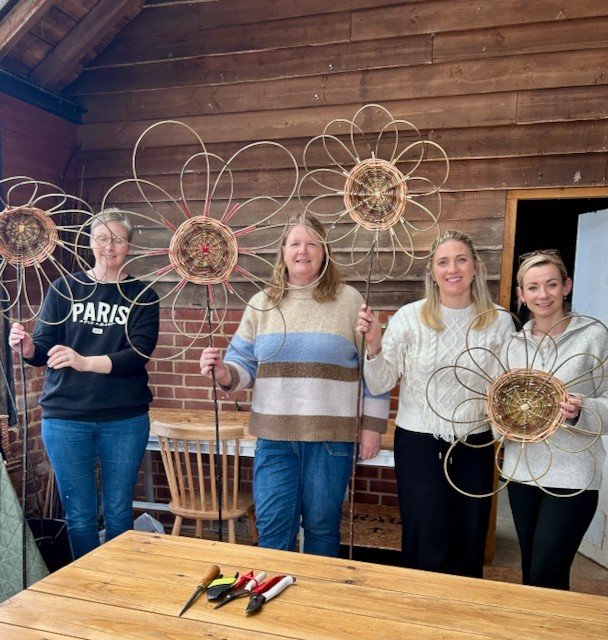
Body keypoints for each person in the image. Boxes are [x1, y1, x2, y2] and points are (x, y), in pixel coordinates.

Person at [199, 213, 389, 557]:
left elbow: (374, 372)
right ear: (283, 251)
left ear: (324, 251)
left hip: (330, 440)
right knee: (273, 532)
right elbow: (242, 365)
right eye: (295, 243)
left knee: (321, 528)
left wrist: (373, 426)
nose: (304, 250)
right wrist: (223, 374)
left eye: (312, 242)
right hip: (274, 440)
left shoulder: (349, 301)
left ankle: (316, 606)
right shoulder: (262, 304)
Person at [357, 230, 514, 577]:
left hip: (475, 443)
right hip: (419, 444)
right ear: (431, 271)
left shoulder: (500, 321)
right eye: (443, 262)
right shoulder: (410, 318)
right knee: (426, 539)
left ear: (475, 266)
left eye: (461, 259)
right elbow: (380, 381)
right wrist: (373, 344)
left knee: (469, 540)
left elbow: (507, 388)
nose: (452, 269)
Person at [9, 209, 159, 560]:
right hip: (65, 417)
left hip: (123, 419)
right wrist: (29, 347)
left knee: (120, 513)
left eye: (118, 240)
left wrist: (83, 361)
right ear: (90, 243)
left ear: (129, 247)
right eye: (102, 238)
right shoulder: (63, 288)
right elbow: (42, 349)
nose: (109, 247)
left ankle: (116, 583)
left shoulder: (142, 295)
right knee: (79, 517)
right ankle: (86, 590)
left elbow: (137, 354)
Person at [502, 250, 608, 590]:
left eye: (551, 284)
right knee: (533, 572)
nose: (542, 294)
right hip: (522, 472)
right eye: (533, 287)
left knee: (546, 571)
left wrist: (582, 409)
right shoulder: (513, 345)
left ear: (567, 286)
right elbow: (500, 406)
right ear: (521, 294)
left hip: (574, 475)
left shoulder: (594, 336)